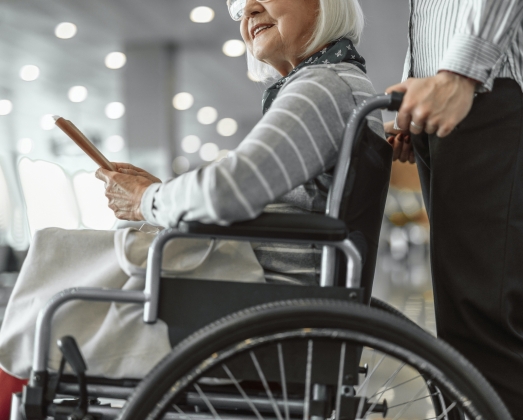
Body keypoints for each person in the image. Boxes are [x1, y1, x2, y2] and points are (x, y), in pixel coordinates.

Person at [0, 0, 385, 417]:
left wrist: (147, 199)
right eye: (240, 6)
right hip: (265, 291)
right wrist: (159, 194)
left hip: (255, 299)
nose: (248, 10)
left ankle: (24, 367)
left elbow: (229, 190)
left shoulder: (323, 86)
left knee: (60, 258)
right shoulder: (339, 84)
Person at [384, 0, 523, 418]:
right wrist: (416, 89)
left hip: (493, 85)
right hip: (468, 92)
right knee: (467, 333)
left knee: (490, 332)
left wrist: (460, 72)